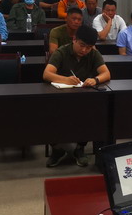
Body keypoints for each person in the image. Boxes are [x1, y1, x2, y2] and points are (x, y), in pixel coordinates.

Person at [43, 25, 111, 168]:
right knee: (48, 112)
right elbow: (47, 74)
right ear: (74, 39)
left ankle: (80, 148)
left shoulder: (93, 54)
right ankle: (57, 149)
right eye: (82, 45)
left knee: (94, 112)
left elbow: (106, 73)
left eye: (89, 47)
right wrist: (65, 80)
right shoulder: (62, 52)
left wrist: (95, 80)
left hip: (83, 98)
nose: (84, 50)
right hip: (61, 97)